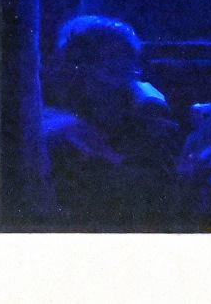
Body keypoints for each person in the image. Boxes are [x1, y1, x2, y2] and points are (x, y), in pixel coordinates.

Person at [42, 15, 183, 221]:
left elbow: (152, 186)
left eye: (122, 58)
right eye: (98, 58)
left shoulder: (150, 111)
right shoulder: (58, 119)